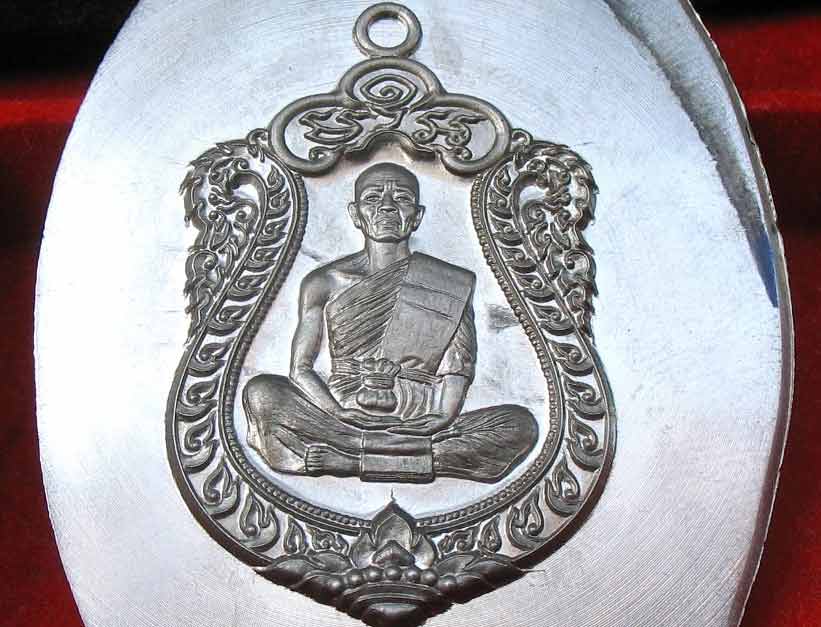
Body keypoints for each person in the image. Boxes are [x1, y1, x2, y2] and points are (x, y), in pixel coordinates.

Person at [243, 163, 538, 483]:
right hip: (344, 415)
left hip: (421, 416)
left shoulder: (450, 281)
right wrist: (337, 412)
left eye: (401, 198)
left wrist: (444, 416)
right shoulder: (324, 282)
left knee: (519, 425)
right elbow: (300, 368)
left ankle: (353, 460)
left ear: (417, 216)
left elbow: (459, 365)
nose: (386, 206)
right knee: (262, 393)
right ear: (356, 214)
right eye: (373, 198)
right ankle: (406, 456)